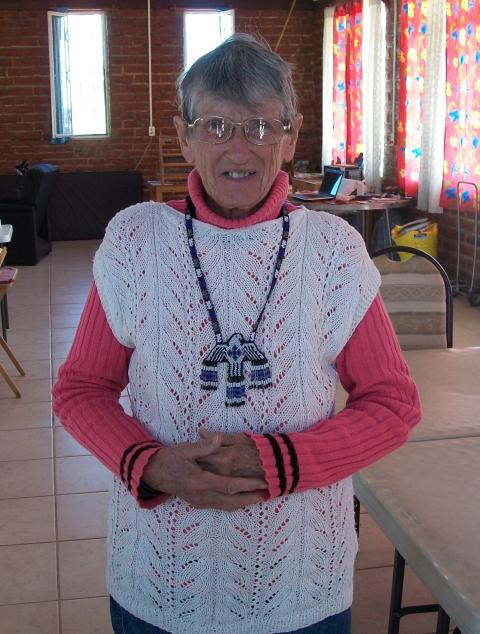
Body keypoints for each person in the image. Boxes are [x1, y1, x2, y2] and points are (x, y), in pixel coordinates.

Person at [52, 34, 421, 634]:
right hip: (159, 580)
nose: (239, 146)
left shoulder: (332, 252)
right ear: (184, 136)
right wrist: (147, 464)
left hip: (299, 587)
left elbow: (394, 404)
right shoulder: (134, 241)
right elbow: (80, 389)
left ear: (292, 135)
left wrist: (284, 459)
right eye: (216, 125)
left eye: (260, 126)